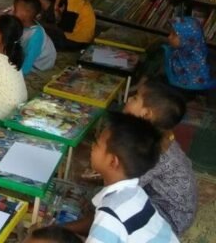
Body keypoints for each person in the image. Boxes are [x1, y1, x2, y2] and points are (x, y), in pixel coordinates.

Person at [65, 112, 179, 243]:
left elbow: (108, 222)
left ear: (113, 162)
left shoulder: (110, 216)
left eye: (97, 144)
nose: (92, 147)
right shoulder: (136, 193)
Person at [123, 78, 197, 236]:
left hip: (170, 218)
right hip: (170, 205)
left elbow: (125, 186)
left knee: (115, 205)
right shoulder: (159, 137)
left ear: (146, 114)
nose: (129, 98)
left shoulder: (155, 152)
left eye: (135, 98)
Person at [163, 16, 216, 92]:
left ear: (187, 38)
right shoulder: (175, 53)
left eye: (174, 35)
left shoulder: (200, 61)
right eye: (170, 33)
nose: (169, 37)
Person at [13, 0, 56, 74]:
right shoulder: (23, 25)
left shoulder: (36, 35)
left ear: (27, 13)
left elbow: (28, 60)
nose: (13, 13)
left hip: (40, 65)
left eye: (15, 10)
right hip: (28, 56)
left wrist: (17, 75)